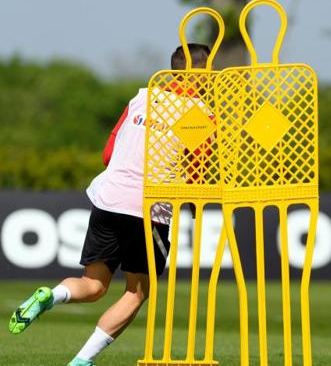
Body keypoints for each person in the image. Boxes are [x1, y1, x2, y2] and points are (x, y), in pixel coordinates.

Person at [8, 43, 212, 366]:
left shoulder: (141, 97)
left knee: (93, 285)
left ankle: (53, 295)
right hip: (149, 209)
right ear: (200, 73)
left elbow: (107, 154)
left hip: (108, 197)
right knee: (137, 292)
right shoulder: (199, 113)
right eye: (210, 74)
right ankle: (81, 361)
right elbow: (198, 172)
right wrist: (193, 205)